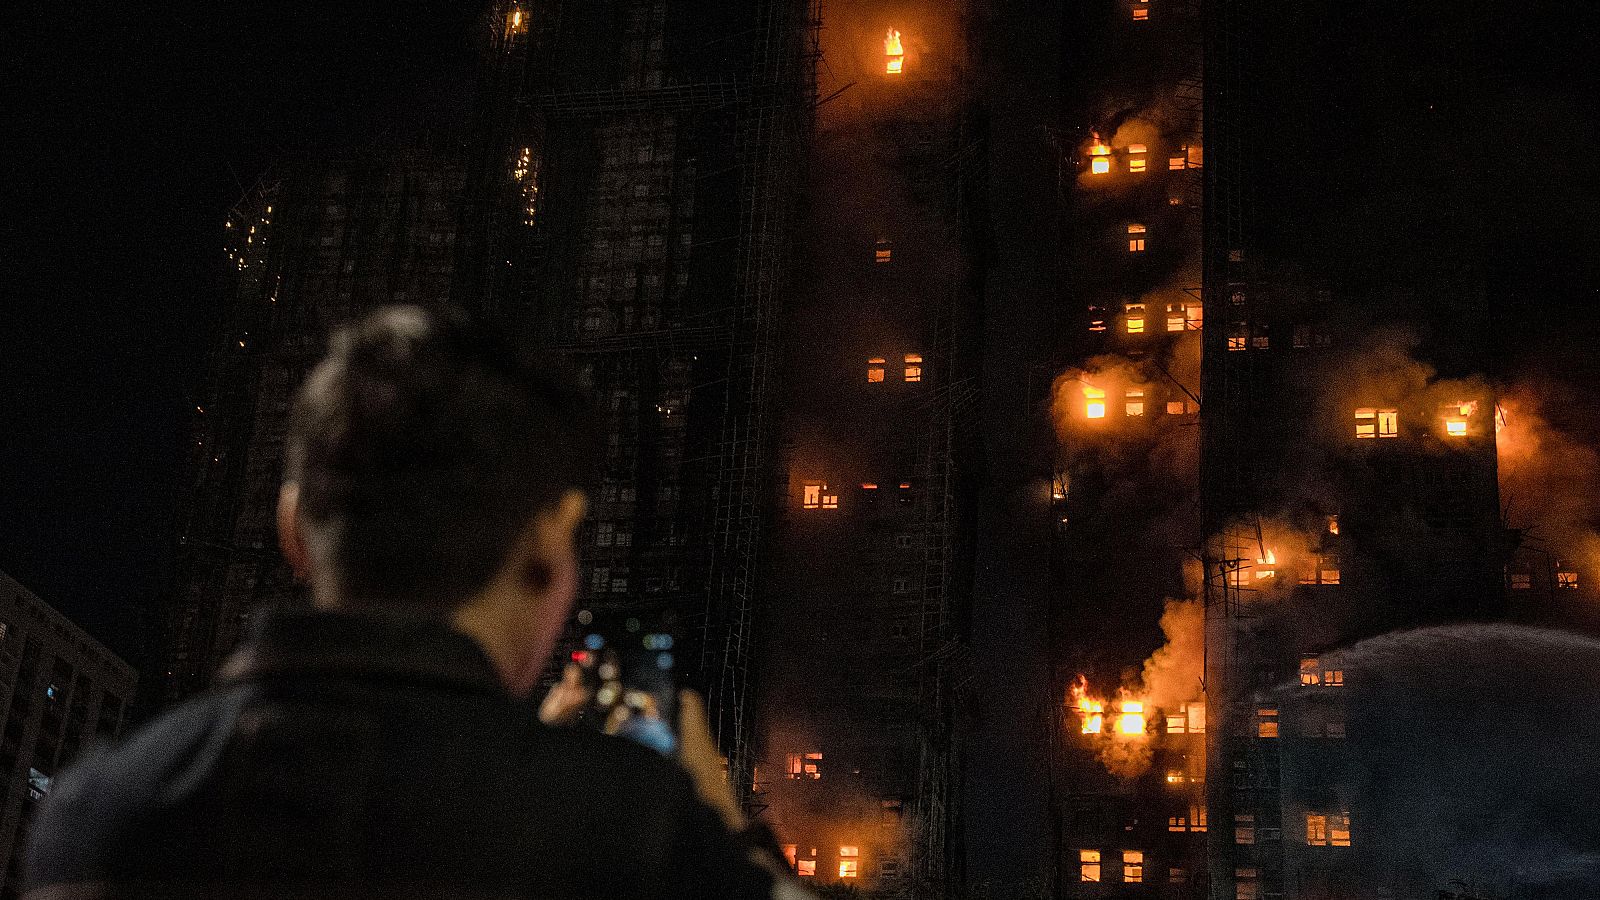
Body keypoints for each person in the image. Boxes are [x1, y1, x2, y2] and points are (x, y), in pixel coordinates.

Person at [25, 306, 810, 900]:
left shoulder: (93, 820)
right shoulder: (632, 827)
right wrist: (722, 825)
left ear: (294, 529)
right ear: (548, 543)